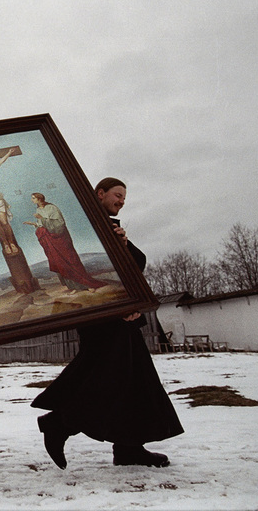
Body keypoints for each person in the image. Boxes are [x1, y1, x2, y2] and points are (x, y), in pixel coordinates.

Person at [31, 177, 183, 470]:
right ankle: (59, 424)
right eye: (117, 194)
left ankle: (129, 448)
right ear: (100, 194)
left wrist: (123, 247)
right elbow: (81, 263)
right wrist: (122, 305)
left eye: (124, 197)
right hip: (103, 317)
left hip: (121, 316)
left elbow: (136, 263)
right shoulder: (88, 224)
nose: (122, 200)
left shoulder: (110, 227)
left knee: (134, 380)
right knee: (109, 376)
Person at [24, 193, 107, 294]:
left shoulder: (52, 208)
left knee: (71, 260)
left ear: (39, 199)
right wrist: (34, 224)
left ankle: (87, 285)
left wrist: (42, 219)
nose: (32, 200)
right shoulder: (38, 210)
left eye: (33, 198)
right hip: (50, 240)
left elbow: (60, 224)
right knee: (60, 262)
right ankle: (74, 286)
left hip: (60, 238)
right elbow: (42, 225)